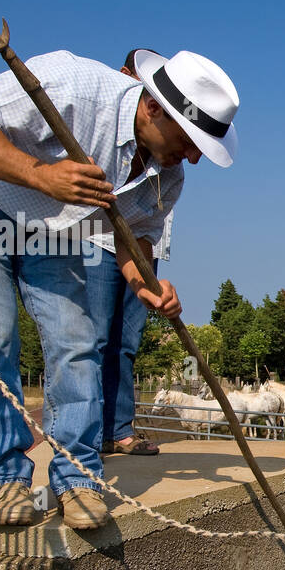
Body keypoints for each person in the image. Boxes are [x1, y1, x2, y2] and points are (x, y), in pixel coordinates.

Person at [0, 48, 239, 529]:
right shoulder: (70, 83)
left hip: (49, 225)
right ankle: (2, 478)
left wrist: (146, 284)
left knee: (76, 340)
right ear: (153, 107)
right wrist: (40, 175)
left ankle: (76, 478)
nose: (193, 157)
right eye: (189, 139)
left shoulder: (167, 174)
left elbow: (133, 239)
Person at [87, 48, 178, 459]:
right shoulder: (102, 126)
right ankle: (86, 434)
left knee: (126, 338)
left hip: (142, 245)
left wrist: (148, 277)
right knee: (96, 336)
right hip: (95, 241)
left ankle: (119, 429)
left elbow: (148, 222)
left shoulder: (166, 163)